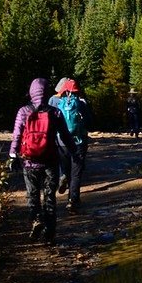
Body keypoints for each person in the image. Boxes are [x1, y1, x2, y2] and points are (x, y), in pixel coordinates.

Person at [9, 78, 76, 245]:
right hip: (50, 161)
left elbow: (17, 135)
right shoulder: (55, 113)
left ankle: (36, 219)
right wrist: (74, 152)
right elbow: (65, 135)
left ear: (31, 92)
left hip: (29, 161)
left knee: (32, 195)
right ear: (46, 93)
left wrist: (12, 155)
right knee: (49, 197)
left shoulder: (23, 111)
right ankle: (50, 233)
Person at [54, 78, 91, 214]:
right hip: (78, 142)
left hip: (62, 143)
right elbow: (89, 122)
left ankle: (63, 178)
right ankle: (73, 201)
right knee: (76, 174)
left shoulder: (58, 104)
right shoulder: (81, 104)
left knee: (67, 172)